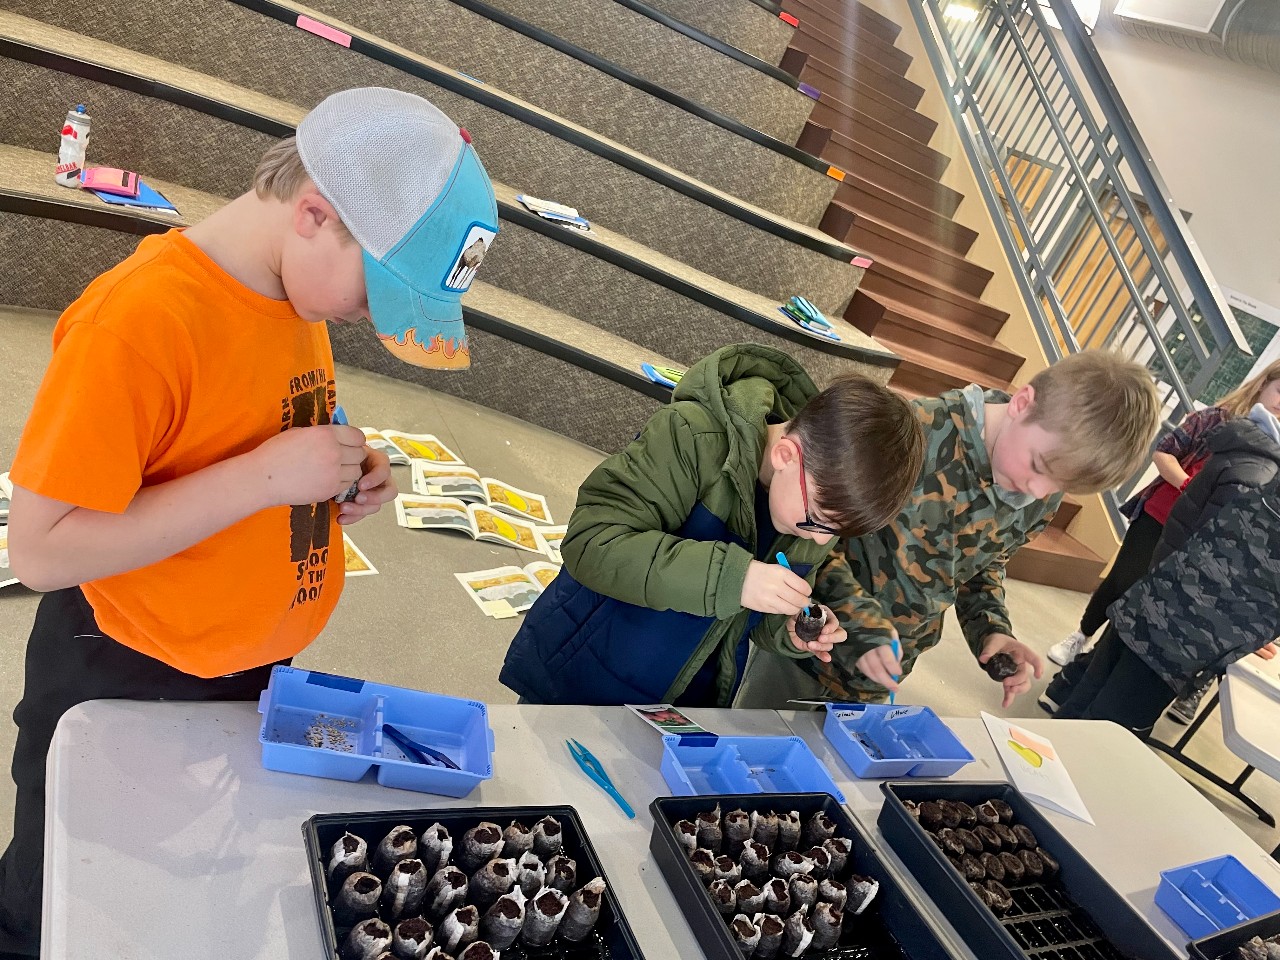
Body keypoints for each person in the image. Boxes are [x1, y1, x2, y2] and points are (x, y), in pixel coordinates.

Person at [0, 87, 498, 955]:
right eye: (371, 291)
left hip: (242, 667)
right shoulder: (140, 320)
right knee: (59, 901)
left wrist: (331, 483)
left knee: (161, 896)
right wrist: (262, 478)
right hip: (123, 670)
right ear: (312, 213)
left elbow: (244, 438)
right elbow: (41, 551)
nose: (371, 317)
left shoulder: (292, 294)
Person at [498, 343, 926, 707]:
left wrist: (788, 627)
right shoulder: (691, 436)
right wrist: (735, 578)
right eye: (817, 521)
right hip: (582, 680)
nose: (819, 539)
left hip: (684, 704)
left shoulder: (812, 499)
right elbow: (592, 543)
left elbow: (749, 617)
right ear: (785, 456)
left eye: (835, 531)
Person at [733, 351, 1163, 710]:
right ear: (1022, 404)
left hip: (881, 675)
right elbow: (812, 539)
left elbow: (983, 564)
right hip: (804, 651)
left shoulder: (1037, 494)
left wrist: (991, 627)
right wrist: (862, 628)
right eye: (1039, 467)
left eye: (1060, 486)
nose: (1039, 491)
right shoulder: (909, 435)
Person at [1043, 358, 1280, 722]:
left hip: (1177, 580)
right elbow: (1167, 453)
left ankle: (1069, 688)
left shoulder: (1257, 452)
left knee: (1125, 633)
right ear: (1264, 382)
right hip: (1162, 524)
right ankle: (1079, 642)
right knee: (1120, 589)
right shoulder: (1228, 428)